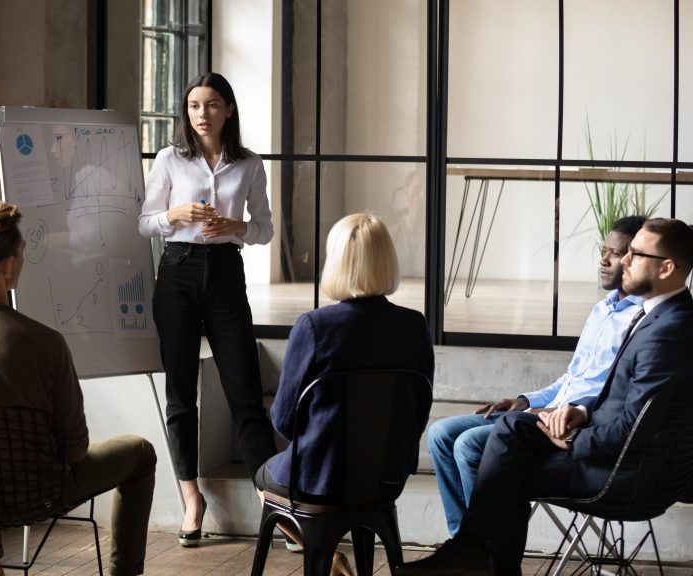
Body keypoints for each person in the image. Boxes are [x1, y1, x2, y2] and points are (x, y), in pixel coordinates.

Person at [398, 218, 693, 576]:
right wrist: (580, 414)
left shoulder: (666, 332)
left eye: (634, 254)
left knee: (497, 455)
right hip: (601, 441)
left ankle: (478, 556)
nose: (624, 261)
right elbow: (622, 401)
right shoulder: (660, 319)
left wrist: (572, 436)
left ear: (666, 267)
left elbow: (634, 429)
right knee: (509, 429)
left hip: (619, 474)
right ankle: (474, 552)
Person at [0, 202, 157, 576]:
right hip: (39, 495)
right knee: (140, 453)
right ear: (7, 265)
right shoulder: (45, 343)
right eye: (21, 253)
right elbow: (74, 448)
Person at [427, 215, 646, 537]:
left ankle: (482, 549)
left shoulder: (642, 320)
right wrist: (525, 399)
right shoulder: (602, 310)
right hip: (541, 411)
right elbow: (572, 378)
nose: (603, 260)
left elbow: (613, 397)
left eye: (614, 253)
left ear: (633, 260)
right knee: (441, 433)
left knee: (469, 444)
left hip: (567, 426)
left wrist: (559, 412)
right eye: (604, 250)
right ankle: (465, 544)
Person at [138, 71, 276, 546]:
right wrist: (173, 216)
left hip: (224, 273)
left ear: (228, 110)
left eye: (212, 105)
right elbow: (143, 224)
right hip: (175, 273)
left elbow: (265, 230)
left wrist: (236, 226)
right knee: (180, 393)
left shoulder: (250, 165)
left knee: (245, 390)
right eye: (194, 105)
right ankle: (191, 498)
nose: (202, 114)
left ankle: (269, 501)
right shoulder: (170, 159)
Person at [257, 214, 435, 575]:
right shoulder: (414, 326)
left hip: (319, 478)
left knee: (262, 480)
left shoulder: (314, 327)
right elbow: (419, 411)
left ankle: (325, 554)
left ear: (335, 261)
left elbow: (284, 422)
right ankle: (336, 559)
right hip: (387, 479)